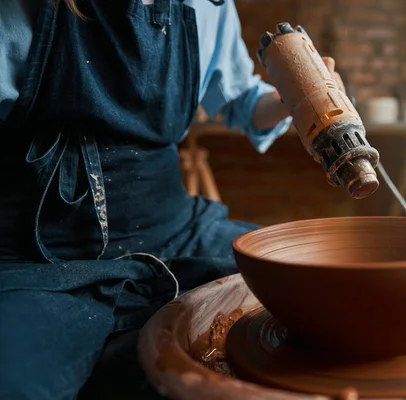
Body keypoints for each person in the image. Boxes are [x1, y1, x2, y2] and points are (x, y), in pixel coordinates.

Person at [0, 0, 345, 398]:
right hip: (37, 258)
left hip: (177, 232)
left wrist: (292, 96)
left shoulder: (206, 4)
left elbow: (241, 101)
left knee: (326, 294)